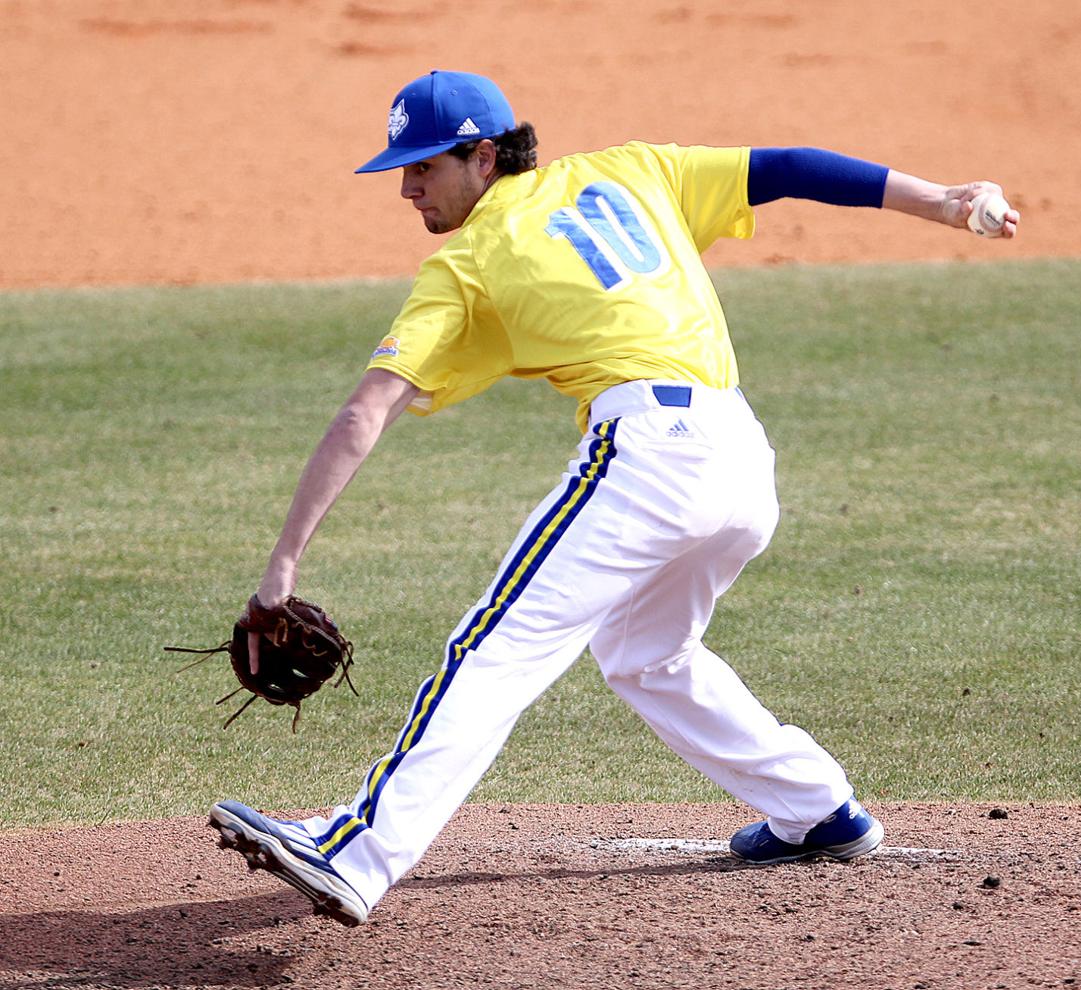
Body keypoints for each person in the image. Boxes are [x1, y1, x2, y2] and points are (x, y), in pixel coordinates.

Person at [209, 69, 1019, 927]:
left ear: (484, 157)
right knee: (643, 651)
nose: (406, 187)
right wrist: (943, 201)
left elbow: (363, 412)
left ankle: (355, 851)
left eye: (424, 167)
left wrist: (280, 569)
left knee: (491, 650)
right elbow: (787, 163)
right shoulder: (631, 170)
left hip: (646, 457)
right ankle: (817, 807)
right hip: (742, 459)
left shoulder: (467, 260)